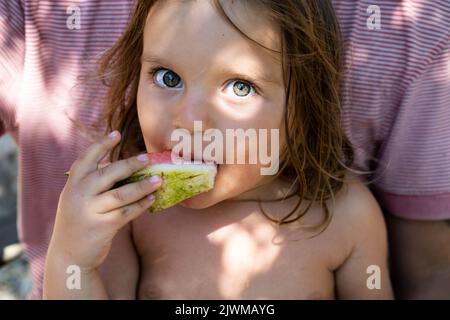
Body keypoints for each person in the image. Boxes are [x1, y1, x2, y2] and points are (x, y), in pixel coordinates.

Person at [1, 0, 448, 300]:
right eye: (167, 77)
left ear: (306, 107)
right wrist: (69, 255)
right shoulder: (131, 217)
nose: (189, 119)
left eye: (240, 86)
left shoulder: (348, 216)